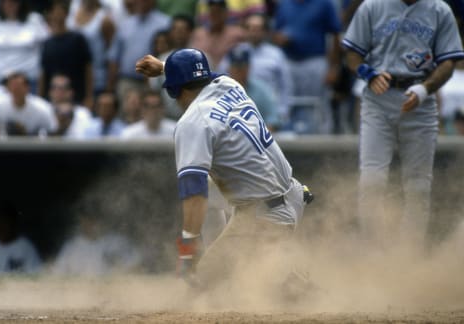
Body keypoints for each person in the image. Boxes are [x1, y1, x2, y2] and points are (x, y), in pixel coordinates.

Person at [135, 48, 313, 292]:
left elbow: (193, 195)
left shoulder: (192, 122)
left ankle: (285, 283)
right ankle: (274, 270)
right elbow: (206, 74)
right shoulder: (229, 84)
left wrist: (187, 251)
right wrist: (166, 67)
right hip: (292, 194)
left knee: (205, 286)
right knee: (210, 184)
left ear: (175, 90)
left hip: (264, 218)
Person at [342, 0, 464, 248]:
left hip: (420, 98)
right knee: (372, 181)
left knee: (418, 186)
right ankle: (372, 249)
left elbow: (449, 61)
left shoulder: (439, 9)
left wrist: (425, 88)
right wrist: (368, 72)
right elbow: (352, 53)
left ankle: (411, 252)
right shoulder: (372, 6)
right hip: (379, 97)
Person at [272, 0, 342, 134]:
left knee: (318, 104)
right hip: (289, 61)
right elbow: (275, 33)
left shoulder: (324, 3)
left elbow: (335, 36)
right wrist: (280, 38)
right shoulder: (285, 4)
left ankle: (323, 140)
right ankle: (291, 143)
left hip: (315, 61)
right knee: (289, 104)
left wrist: (334, 67)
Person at [218, 13, 292, 125]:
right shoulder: (235, 52)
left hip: (267, 109)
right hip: (236, 109)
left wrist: (282, 112)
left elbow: (285, 86)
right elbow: (220, 79)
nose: (254, 32)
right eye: (250, 28)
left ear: (265, 31)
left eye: (258, 29)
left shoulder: (276, 54)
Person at [107, 0, 170, 103]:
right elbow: (114, 58)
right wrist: (110, 88)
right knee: (127, 116)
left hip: (154, 81)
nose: (140, 3)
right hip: (127, 81)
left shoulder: (165, 23)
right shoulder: (125, 25)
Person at [0, 0, 49, 91]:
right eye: (6, 3)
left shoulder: (35, 19)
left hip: (29, 80)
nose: (10, 6)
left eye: (13, 2)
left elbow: (47, 46)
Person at [40, 0, 93, 109]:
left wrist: (89, 96)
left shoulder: (78, 39)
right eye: (54, 11)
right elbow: (44, 73)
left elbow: (88, 68)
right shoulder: (47, 42)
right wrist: (41, 99)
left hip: (77, 96)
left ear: (66, 14)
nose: (57, 15)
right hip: (53, 98)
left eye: (60, 11)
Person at [66, 0, 116, 96]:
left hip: (97, 79)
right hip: (73, 77)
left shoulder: (104, 19)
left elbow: (112, 53)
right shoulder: (73, 13)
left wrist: (110, 86)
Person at [225, 45, 280, 131]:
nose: (239, 70)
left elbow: (272, 120)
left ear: (249, 67)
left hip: (257, 139)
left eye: (242, 67)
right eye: (236, 66)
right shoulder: (221, 89)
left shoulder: (262, 89)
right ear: (229, 68)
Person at [0, 72, 57, 137]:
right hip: (4, 146)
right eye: (12, 86)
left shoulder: (42, 107)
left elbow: (53, 132)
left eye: (19, 86)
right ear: (8, 88)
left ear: (27, 88)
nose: (16, 89)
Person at [0, 202, 41, 275]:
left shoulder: (25, 246)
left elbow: (37, 275)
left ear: (13, 223)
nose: (1, 226)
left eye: (5, 221)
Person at [190, 0, 244, 69]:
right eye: (212, 11)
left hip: (228, 75)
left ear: (226, 13)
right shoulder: (198, 34)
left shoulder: (237, 34)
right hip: (203, 75)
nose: (215, 15)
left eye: (218, 11)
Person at [48, 73, 93, 139]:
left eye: (64, 88)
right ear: (50, 92)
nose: (59, 92)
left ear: (71, 92)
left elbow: (86, 140)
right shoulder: (44, 111)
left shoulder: (83, 113)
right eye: (55, 88)